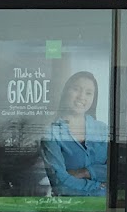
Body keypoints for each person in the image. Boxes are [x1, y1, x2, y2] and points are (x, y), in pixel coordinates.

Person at [41, 70, 110, 198]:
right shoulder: (51, 133)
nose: (81, 97)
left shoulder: (103, 130)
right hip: (71, 205)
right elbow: (60, 182)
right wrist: (98, 187)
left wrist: (85, 172)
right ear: (65, 92)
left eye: (88, 93)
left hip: (106, 206)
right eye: (76, 89)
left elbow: (117, 170)